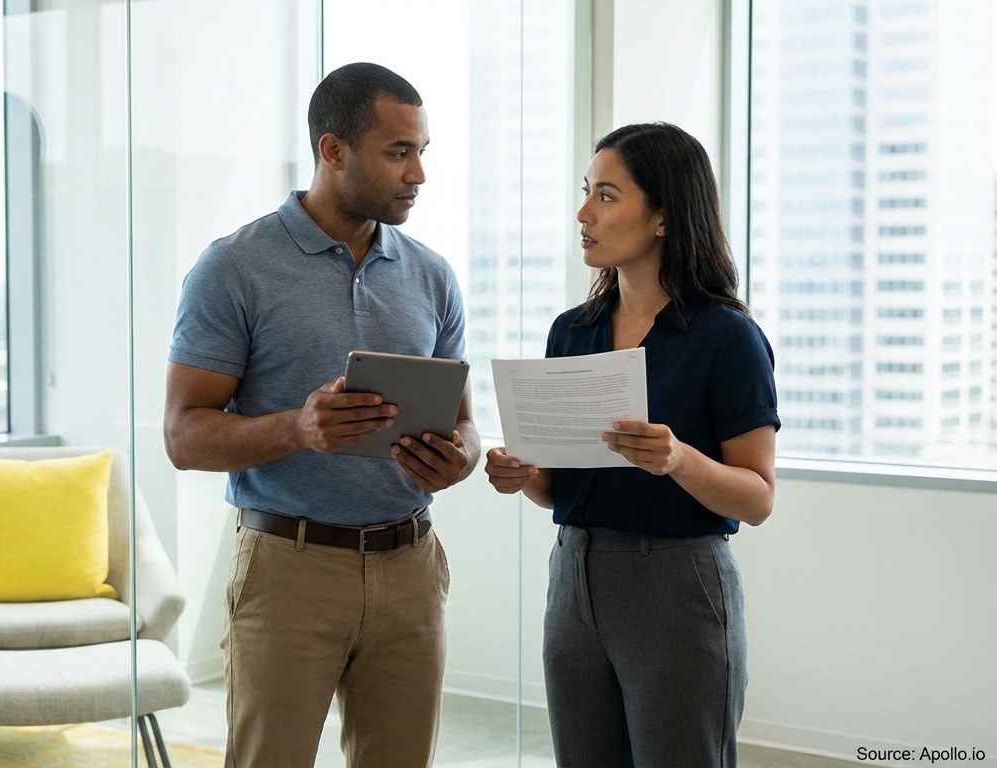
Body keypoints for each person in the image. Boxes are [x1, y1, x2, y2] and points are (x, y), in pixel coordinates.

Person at [163, 62, 480, 768]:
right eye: (399, 152)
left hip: (411, 569)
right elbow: (184, 436)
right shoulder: (233, 268)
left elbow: (467, 425)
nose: (418, 174)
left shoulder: (432, 275)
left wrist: (461, 457)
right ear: (332, 150)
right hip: (288, 571)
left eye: (422, 151)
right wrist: (296, 429)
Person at [484, 122, 779, 767]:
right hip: (574, 577)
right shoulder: (573, 332)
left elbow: (757, 500)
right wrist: (524, 473)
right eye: (587, 193)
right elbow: (561, 489)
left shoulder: (727, 339)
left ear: (664, 218)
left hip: (676, 583)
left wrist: (678, 459)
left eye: (608, 196)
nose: (584, 214)